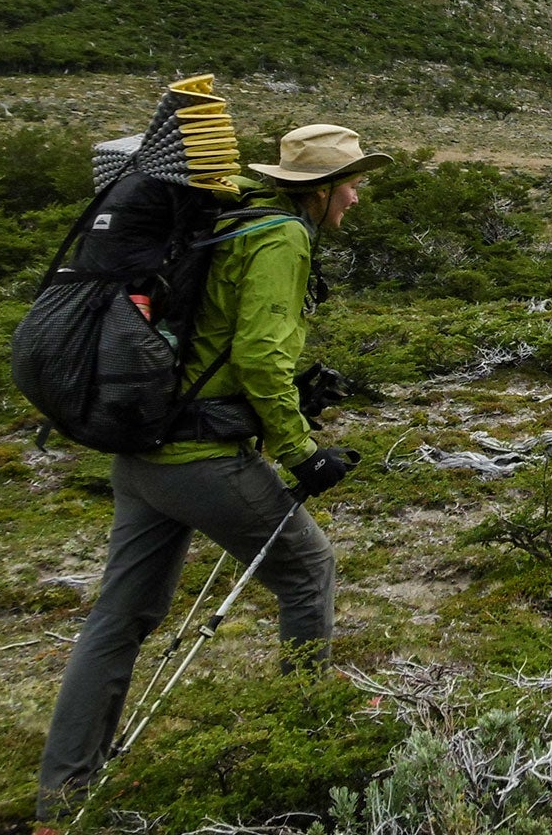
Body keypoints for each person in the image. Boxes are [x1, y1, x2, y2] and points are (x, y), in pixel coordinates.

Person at [34, 124, 392, 825]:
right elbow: (259, 352)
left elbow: (219, 336)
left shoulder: (227, 216)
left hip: (142, 451)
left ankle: (62, 795)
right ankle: (306, 737)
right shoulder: (281, 236)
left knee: (119, 617)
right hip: (201, 459)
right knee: (308, 571)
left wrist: (286, 392)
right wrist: (300, 450)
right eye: (349, 182)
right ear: (318, 191)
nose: (355, 195)